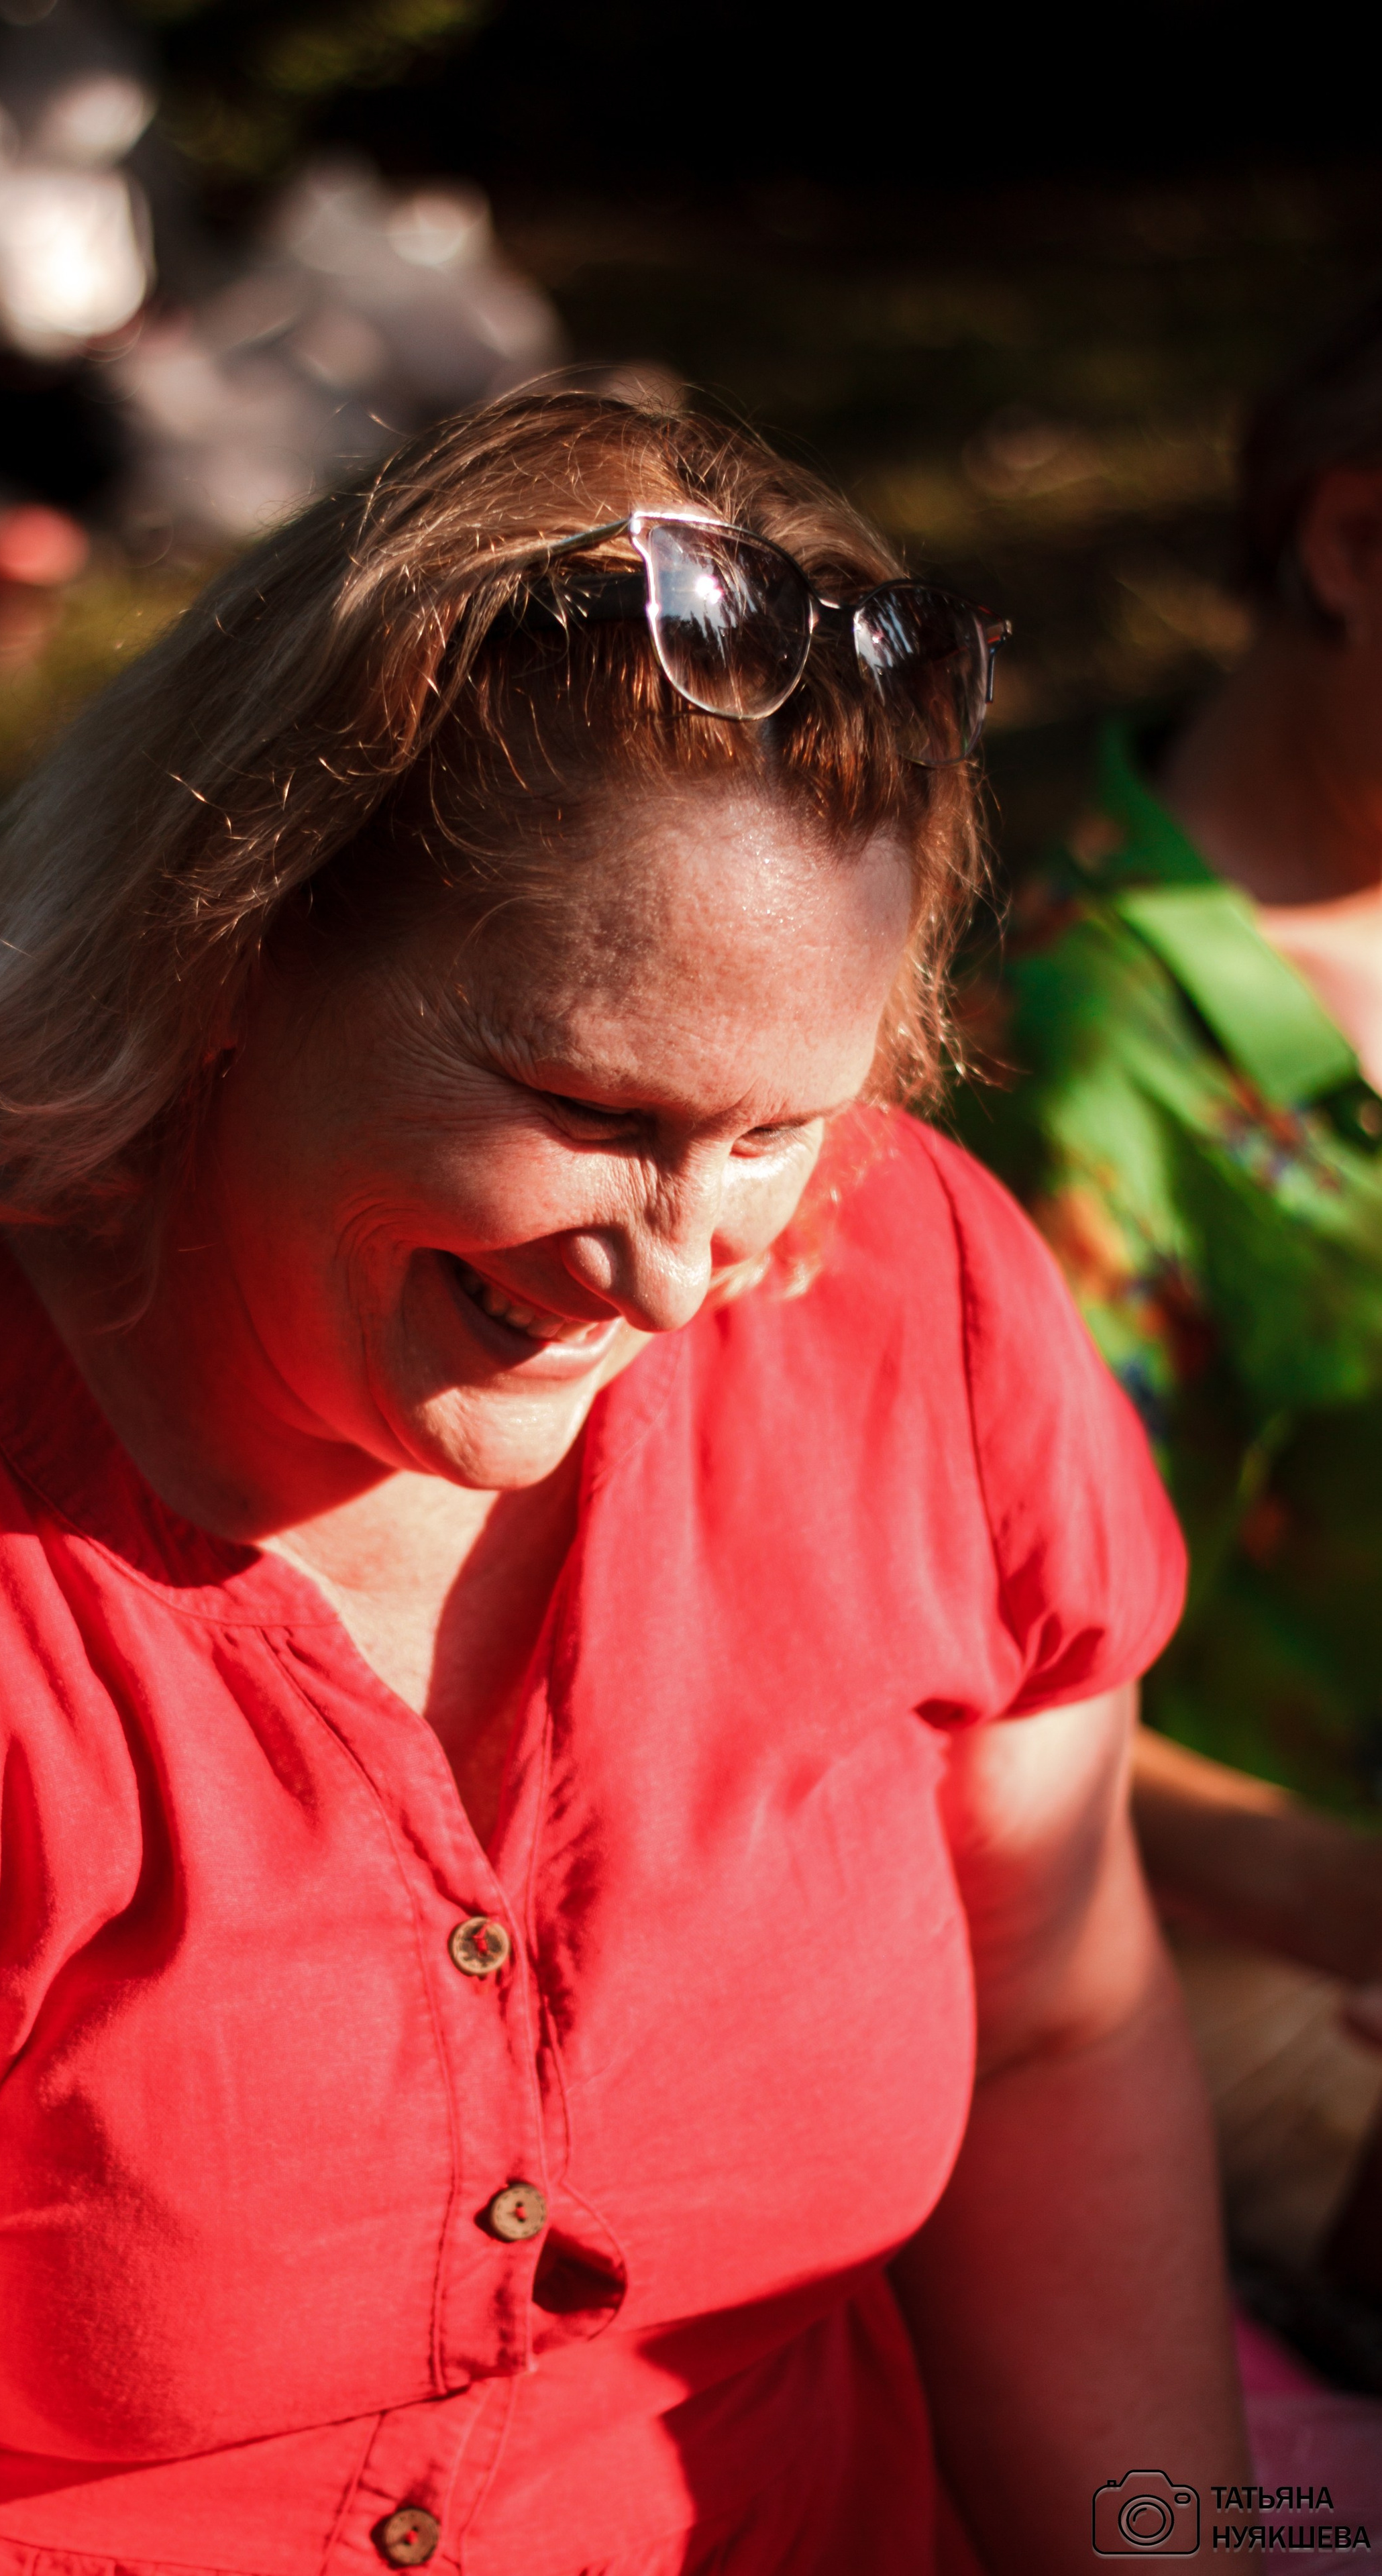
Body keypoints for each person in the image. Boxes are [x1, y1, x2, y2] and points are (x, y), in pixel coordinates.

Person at [0, 392, 1246, 2576]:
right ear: (231, 943)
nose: (689, 1270)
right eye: (587, 1106)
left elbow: (1059, 2033)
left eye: (777, 1126)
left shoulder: (925, 1300)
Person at [954, 303, 1382, 2307]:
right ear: (1355, 547)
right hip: (1233, 1941)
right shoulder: (1084, 1058)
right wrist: (1337, 1895)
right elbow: (994, 1695)